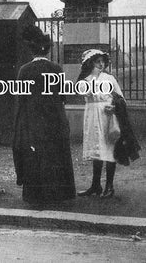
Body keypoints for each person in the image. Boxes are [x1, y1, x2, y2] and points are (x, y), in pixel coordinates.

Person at [12, 25, 76, 204]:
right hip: (55, 118)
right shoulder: (56, 69)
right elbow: (63, 96)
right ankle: (57, 194)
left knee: (35, 154)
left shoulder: (24, 70)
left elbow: (21, 98)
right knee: (55, 153)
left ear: (32, 49)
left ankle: (35, 195)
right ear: (47, 50)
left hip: (33, 119)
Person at [76, 49, 126, 198]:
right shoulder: (85, 80)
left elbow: (121, 98)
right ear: (90, 63)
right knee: (96, 150)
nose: (101, 64)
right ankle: (95, 185)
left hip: (107, 116)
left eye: (102, 61)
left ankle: (109, 186)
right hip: (92, 116)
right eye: (97, 61)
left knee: (109, 149)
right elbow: (81, 92)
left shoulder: (109, 79)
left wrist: (115, 106)